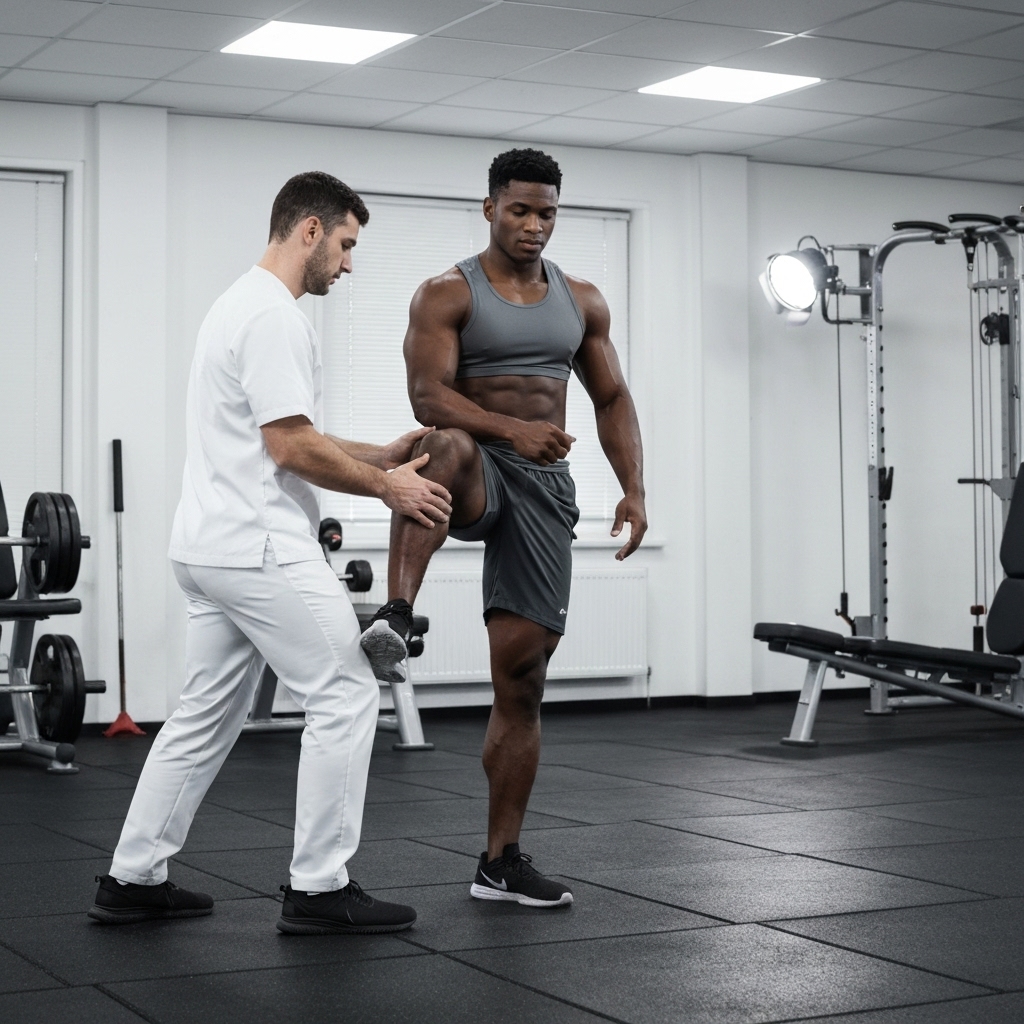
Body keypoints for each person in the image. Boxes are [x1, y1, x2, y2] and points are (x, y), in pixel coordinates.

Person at [89, 171, 452, 934]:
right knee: (348, 691)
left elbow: (285, 434)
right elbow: (288, 447)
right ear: (310, 230)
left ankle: (132, 876)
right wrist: (386, 490)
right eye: (347, 245)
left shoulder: (236, 304)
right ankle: (320, 888)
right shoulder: (275, 317)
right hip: (259, 547)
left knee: (202, 717)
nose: (348, 265)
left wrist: (379, 456)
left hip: (207, 546)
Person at [359, 149, 647, 908]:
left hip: (545, 487)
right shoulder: (447, 293)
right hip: (475, 470)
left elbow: (611, 397)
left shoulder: (580, 300)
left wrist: (634, 489)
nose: (532, 224)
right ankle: (397, 612)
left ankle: (499, 860)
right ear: (489, 208)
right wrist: (510, 432)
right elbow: (428, 396)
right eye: (518, 209)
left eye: (545, 212)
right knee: (439, 444)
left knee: (522, 680)